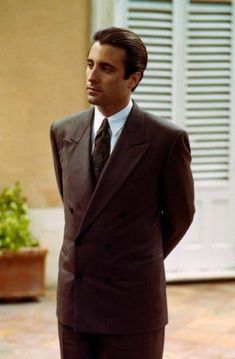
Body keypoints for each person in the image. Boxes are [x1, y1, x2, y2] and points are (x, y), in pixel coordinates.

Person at [50, 27, 195, 359]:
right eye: (90, 64)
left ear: (133, 78)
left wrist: (134, 259)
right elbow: (76, 205)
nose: (92, 76)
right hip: (76, 299)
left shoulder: (165, 140)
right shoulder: (63, 131)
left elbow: (181, 216)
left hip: (133, 301)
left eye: (106, 68)